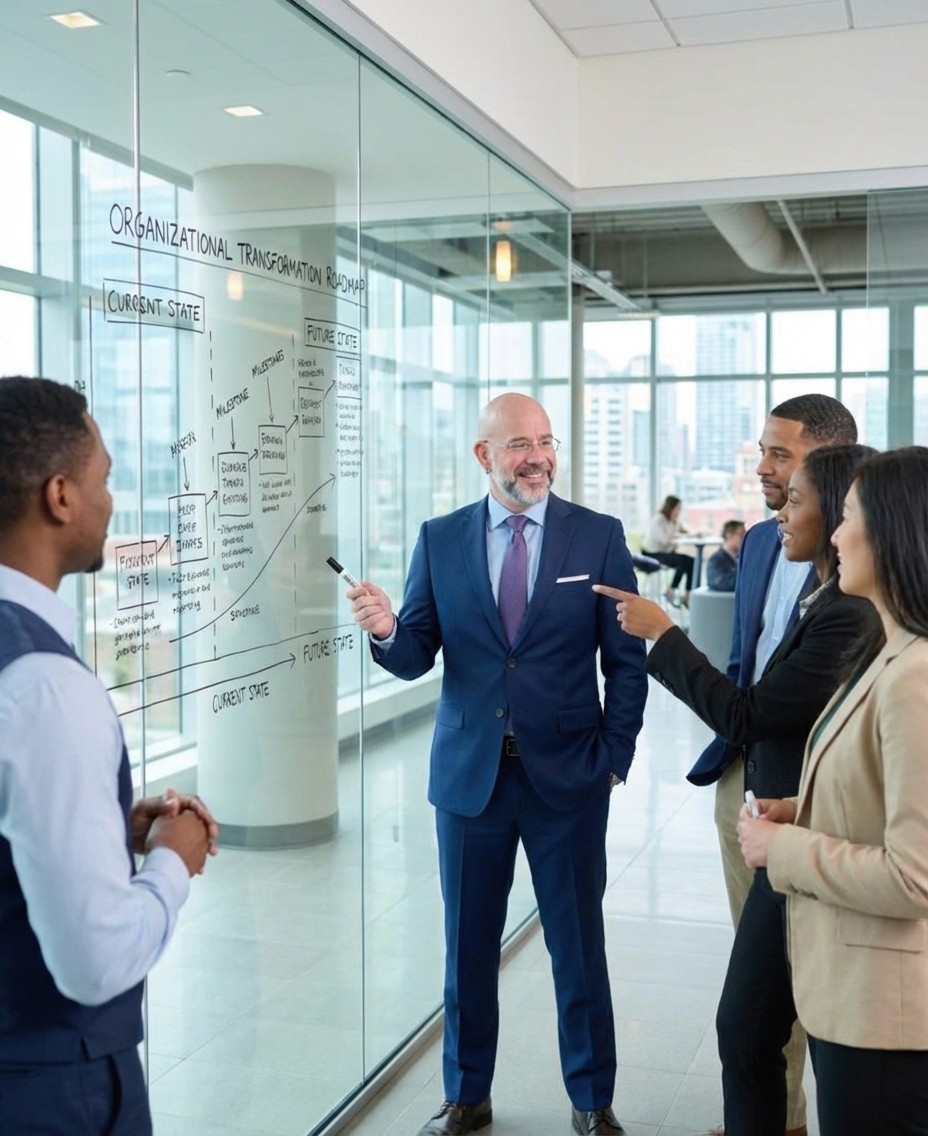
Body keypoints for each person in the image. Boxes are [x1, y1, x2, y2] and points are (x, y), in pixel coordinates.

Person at [346, 393, 647, 1136]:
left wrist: (615, 755)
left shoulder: (599, 536)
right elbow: (417, 650)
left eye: (545, 441)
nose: (538, 456)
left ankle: (590, 1100)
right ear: (484, 456)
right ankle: (466, 1097)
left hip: (570, 779)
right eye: (519, 444)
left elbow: (628, 660)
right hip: (470, 780)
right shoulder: (440, 538)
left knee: (578, 949)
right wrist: (387, 630)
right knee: (467, 950)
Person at [595, 442, 880, 1136]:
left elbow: (754, 709)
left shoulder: (853, 613)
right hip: (777, 816)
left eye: (789, 477)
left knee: (777, 1031)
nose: (772, 494)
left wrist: (663, 635)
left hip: (814, 846)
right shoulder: (788, 568)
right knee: (748, 1026)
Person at [0, 375, 219, 1136]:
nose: (111, 502)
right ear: (60, 496)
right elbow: (93, 963)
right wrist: (171, 863)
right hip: (49, 1093)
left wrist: (101, 827)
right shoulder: (46, 689)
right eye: (106, 480)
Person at [739, 446, 928, 1136]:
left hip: (887, 1018)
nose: (838, 536)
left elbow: (915, 877)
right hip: (857, 1000)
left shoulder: (915, 676)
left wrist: (783, 845)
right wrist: (806, 808)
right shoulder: (891, 652)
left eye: (848, 518)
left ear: (894, 531)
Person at [684, 393, 858, 1136]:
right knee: (758, 966)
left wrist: (662, 641)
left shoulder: (860, 568)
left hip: (820, 798)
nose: (763, 469)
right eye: (761, 452)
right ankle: (778, 1118)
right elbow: (744, 661)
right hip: (745, 780)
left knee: (819, 972)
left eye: (779, 455)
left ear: (827, 463)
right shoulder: (758, 542)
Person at [642, 494, 694, 607]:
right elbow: (665, 540)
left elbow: (685, 532)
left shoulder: (674, 521)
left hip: (666, 553)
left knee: (692, 561)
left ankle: (687, 596)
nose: (678, 511)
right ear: (671, 507)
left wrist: (694, 534)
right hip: (652, 554)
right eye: (677, 508)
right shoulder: (659, 520)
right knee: (682, 560)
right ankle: (670, 591)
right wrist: (680, 536)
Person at [706, 520, 745, 592]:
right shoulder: (716, 560)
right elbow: (720, 583)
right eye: (741, 535)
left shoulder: (741, 557)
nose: (744, 539)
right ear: (729, 535)